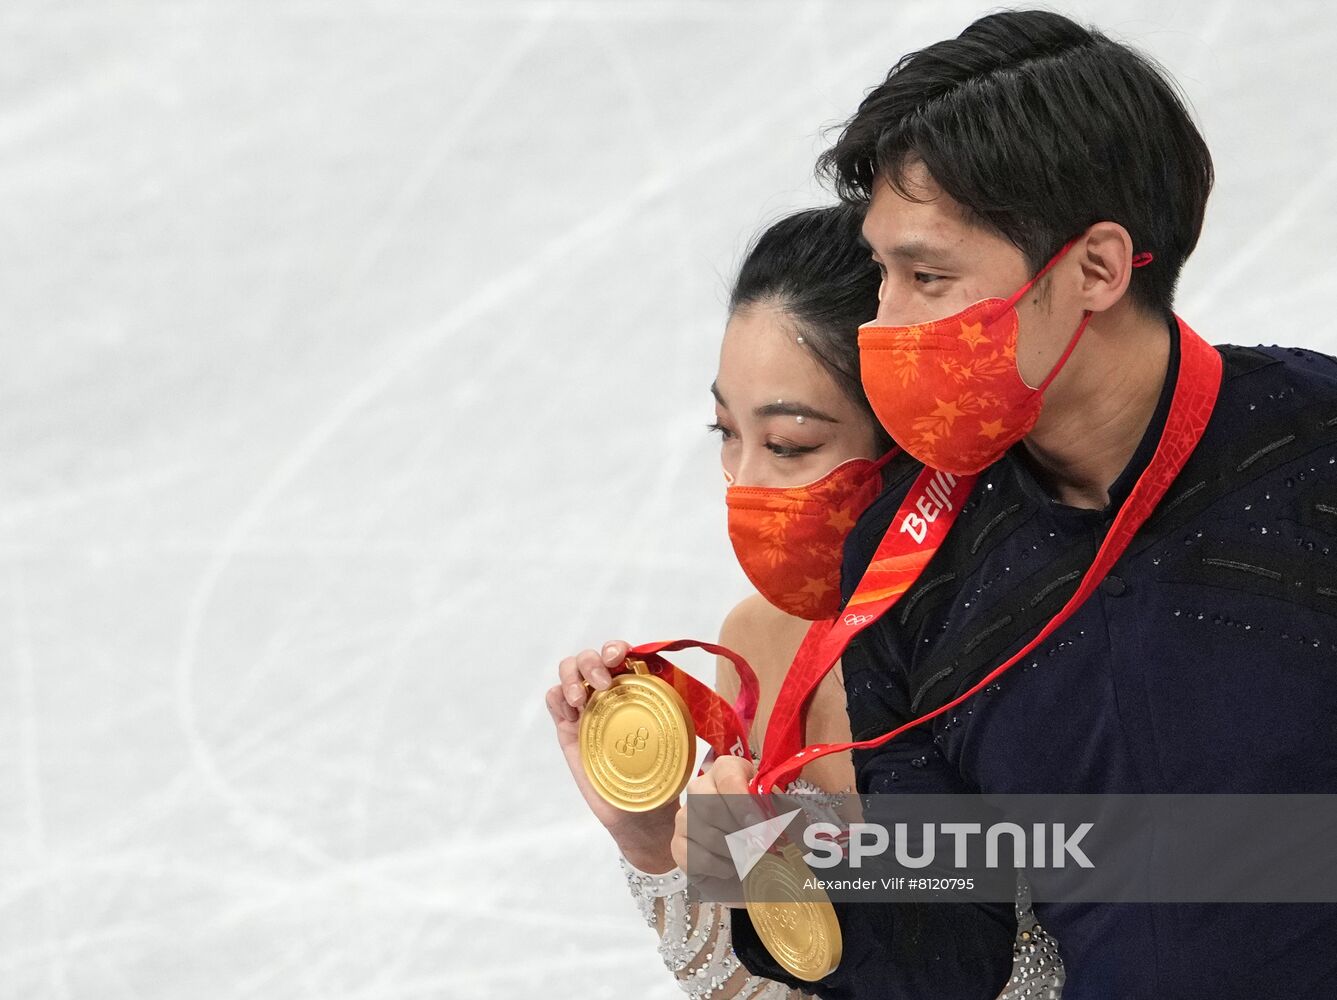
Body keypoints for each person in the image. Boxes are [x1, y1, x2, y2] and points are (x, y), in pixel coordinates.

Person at [706, 10, 1337, 1000]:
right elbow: (950, 952)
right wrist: (757, 869)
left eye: (926, 277)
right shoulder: (908, 563)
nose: (883, 323)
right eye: (881, 274)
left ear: (1094, 269)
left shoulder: (1311, 448)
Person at [545, 206, 1064, 999]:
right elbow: (779, 986)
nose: (743, 481)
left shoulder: (1014, 643)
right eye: (725, 432)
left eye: (789, 445)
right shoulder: (754, 642)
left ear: (907, 438)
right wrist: (652, 844)